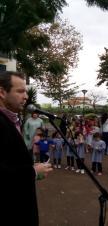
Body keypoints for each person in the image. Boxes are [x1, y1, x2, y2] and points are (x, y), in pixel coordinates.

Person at [1, 71, 52, 225]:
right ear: (2, 92)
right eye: (20, 91)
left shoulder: (13, 119)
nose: (26, 97)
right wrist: (33, 172)